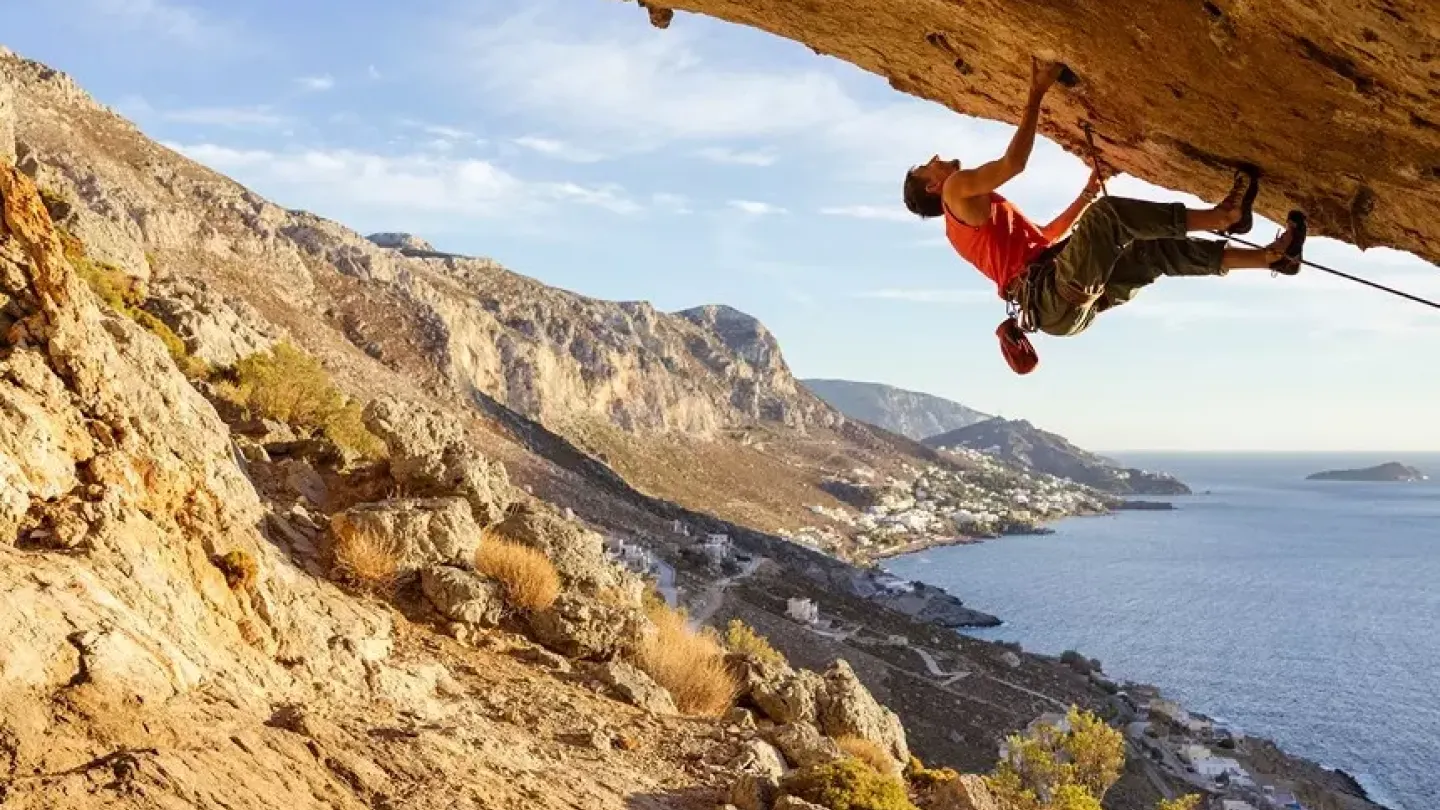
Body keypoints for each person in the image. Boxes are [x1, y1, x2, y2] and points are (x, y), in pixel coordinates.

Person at [901, 58, 1306, 370]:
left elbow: (1048, 234)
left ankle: (1274, 258)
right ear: (933, 187)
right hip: (1050, 294)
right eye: (926, 167)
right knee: (1109, 216)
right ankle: (1224, 217)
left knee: (1154, 251)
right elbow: (1013, 164)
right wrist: (1036, 92)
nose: (934, 158)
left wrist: (1088, 191)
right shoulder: (955, 189)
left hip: (1058, 307)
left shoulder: (965, 226)